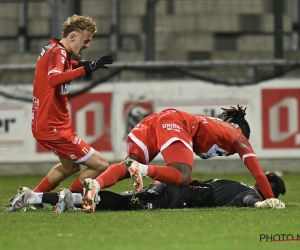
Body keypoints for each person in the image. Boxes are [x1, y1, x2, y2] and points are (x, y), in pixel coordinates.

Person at [78, 105, 280, 213]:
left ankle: (95, 185)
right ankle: (142, 169)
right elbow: (258, 172)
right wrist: (270, 198)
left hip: (153, 122)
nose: (230, 153)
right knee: (181, 176)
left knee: (127, 165)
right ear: (241, 130)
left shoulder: (215, 125)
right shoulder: (237, 136)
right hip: (173, 121)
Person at [30, 14, 113, 196]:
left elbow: (59, 67)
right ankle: (68, 198)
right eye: (86, 40)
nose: (88, 45)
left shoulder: (54, 49)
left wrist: (79, 64)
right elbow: (53, 79)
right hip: (53, 127)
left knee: (70, 166)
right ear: (72, 36)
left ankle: (31, 198)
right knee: (101, 164)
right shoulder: (58, 52)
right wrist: (84, 69)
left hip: (48, 124)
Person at [4, 172, 286, 212]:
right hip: (173, 196)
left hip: (170, 187)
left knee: (126, 202)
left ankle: (34, 197)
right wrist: (266, 205)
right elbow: (252, 202)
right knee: (126, 205)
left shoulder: (232, 182)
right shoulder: (245, 193)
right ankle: (69, 198)